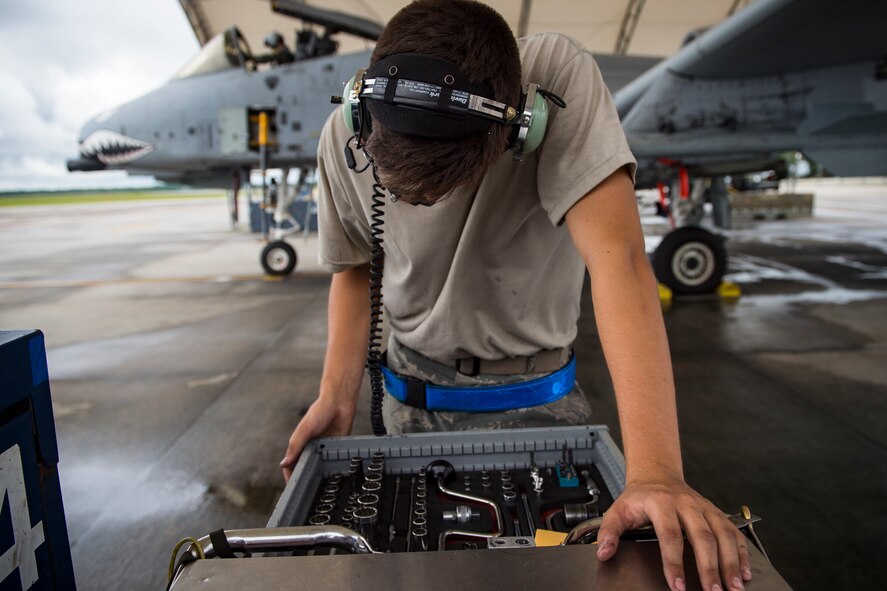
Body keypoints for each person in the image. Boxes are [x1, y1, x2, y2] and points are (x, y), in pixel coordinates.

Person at [280, 2, 751, 591]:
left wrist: (655, 471)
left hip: (539, 396)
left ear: (522, 126)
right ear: (360, 107)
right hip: (406, 395)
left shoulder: (556, 81)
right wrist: (335, 393)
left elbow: (619, 260)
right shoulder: (343, 133)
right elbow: (353, 268)